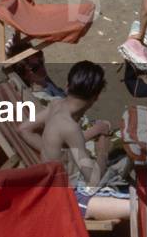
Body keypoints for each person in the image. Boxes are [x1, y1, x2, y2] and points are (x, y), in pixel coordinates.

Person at [20, 62, 130, 223]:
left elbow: (24, 128)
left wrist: (53, 149)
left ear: (67, 86)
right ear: (96, 96)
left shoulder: (56, 105)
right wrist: (102, 151)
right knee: (138, 207)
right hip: (70, 197)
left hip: (57, 186)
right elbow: (93, 180)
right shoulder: (70, 128)